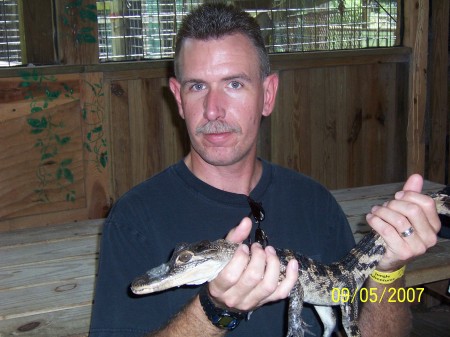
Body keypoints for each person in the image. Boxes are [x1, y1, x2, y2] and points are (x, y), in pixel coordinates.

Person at [89, 4, 441, 337]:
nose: (213, 110)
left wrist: (389, 273)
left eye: (234, 84)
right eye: (198, 86)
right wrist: (214, 309)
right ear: (179, 99)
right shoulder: (133, 219)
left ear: (268, 94)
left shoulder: (316, 203)